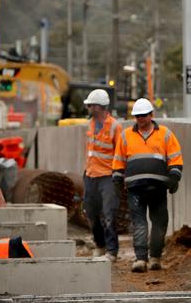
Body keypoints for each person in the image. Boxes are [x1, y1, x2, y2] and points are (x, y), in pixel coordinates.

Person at [112, 98, 183, 273]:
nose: (141, 119)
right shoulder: (126, 135)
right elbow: (119, 160)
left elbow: (175, 159)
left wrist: (174, 178)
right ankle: (140, 259)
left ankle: (155, 257)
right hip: (135, 188)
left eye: (144, 116)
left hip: (158, 187)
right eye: (137, 116)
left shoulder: (165, 134)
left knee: (160, 223)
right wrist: (117, 181)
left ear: (151, 115)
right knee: (139, 224)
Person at [83, 89, 122, 262]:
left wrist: (119, 175)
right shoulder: (89, 124)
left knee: (109, 213)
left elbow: (121, 152)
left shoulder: (115, 126)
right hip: (90, 174)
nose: (88, 107)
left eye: (90, 105)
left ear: (99, 106)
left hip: (108, 176)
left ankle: (112, 251)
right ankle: (100, 244)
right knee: (91, 213)